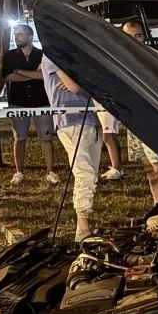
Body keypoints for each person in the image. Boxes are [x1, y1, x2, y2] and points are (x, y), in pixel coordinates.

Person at [42, 52, 102, 242]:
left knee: (90, 173)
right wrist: (85, 84)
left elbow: (96, 85)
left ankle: (83, 225)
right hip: (70, 121)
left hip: (90, 118)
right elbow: (75, 87)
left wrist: (84, 84)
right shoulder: (54, 56)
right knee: (85, 172)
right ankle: (82, 227)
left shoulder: (77, 56)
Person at [121, 19, 158, 218]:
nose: (134, 40)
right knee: (148, 167)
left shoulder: (156, 58)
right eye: (129, 36)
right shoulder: (120, 60)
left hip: (155, 118)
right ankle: (157, 205)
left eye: (138, 36)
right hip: (134, 118)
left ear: (144, 36)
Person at [0, 24, 59, 186]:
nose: (16, 37)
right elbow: (8, 77)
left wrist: (20, 71)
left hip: (41, 101)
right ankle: (19, 172)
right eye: (15, 34)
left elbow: (44, 76)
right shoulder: (9, 56)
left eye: (20, 34)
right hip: (18, 102)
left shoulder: (42, 55)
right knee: (19, 138)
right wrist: (34, 74)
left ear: (30, 36)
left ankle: (50, 171)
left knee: (46, 137)